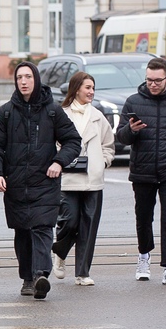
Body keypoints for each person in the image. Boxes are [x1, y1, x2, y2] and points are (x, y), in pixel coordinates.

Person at [0, 62, 83, 299]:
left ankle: (41, 275)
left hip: (44, 182)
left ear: (36, 79)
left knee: (42, 229)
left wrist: (59, 162)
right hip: (15, 184)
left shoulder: (52, 111)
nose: (24, 81)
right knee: (22, 233)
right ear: (16, 82)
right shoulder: (5, 112)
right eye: (20, 77)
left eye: (28, 77)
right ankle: (28, 278)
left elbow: (73, 141)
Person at [116, 56, 166, 285]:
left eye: (158, 80)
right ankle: (143, 257)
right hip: (143, 169)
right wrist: (131, 130)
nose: (153, 84)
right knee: (143, 217)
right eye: (149, 80)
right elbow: (120, 137)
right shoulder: (132, 102)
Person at [51, 72, 116, 287]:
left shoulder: (97, 116)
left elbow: (108, 144)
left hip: (93, 178)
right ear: (76, 88)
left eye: (93, 88)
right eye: (87, 87)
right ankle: (60, 251)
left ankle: (82, 273)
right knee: (69, 221)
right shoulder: (61, 114)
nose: (91, 92)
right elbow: (51, 142)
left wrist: (103, 161)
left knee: (89, 225)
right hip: (68, 176)